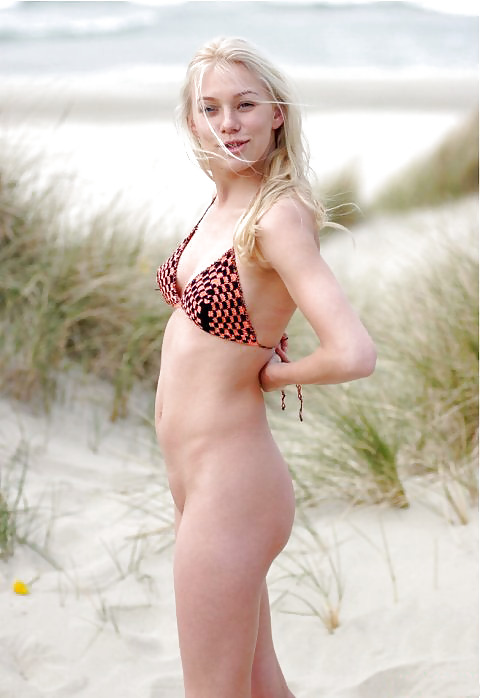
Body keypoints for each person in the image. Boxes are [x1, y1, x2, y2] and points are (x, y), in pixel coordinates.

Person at [155, 36, 376, 698]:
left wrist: (272, 377)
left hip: (234, 485)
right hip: (197, 477)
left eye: (246, 105)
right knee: (255, 683)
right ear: (192, 119)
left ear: (277, 112)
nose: (229, 123)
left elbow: (353, 352)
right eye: (211, 108)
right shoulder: (225, 203)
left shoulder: (277, 216)